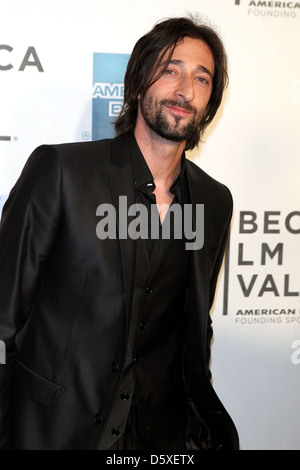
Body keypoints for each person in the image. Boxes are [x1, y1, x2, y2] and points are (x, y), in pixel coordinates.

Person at [0, 16, 239, 450]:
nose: (185, 90)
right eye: (171, 70)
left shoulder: (213, 201)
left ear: (210, 101)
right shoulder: (62, 173)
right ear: (137, 83)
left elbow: (191, 328)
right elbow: (3, 322)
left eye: (201, 79)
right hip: (52, 432)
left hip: (157, 438)